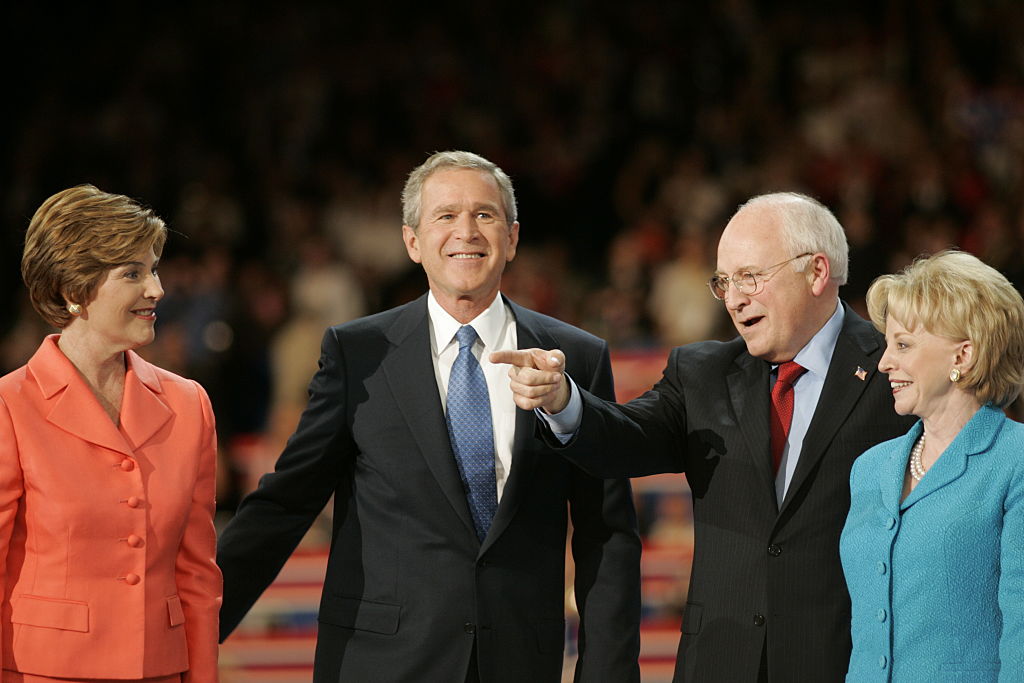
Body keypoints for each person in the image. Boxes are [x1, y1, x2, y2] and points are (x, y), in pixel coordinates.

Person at [216, 151, 641, 682]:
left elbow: (607, 532)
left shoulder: (575, 356)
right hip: (379, 665)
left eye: (484, 215)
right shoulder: (358, 353)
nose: (466, 231)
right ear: (412, 242)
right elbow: (285, 504)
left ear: (512, 238)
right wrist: (196, 625)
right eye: (445, 215)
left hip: (518, 663)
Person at [493, 192, 915, 682]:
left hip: (845, 663)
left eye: (750, 277)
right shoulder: (702, 374)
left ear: (817, 272)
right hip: (718, 662)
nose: (734, 298)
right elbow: (624, 436)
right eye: (724, 282)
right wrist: (563, 400)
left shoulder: (895, 369)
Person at [0, 185, 221, 682]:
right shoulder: (9, 407)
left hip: (160, 671)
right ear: (74, 290)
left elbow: (199, 578)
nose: (157, 289)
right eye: (133, 273)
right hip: (43, 673)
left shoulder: (190, 405)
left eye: (154, 269)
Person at [840, 250, 1024, 681]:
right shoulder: (869, 468)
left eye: (903, 344)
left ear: (963, 356)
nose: (884, 362)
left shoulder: (1015, 462)